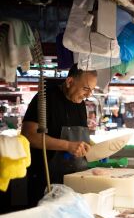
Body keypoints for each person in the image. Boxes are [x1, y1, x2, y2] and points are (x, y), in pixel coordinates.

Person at [21, 64, 97, 207]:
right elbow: (29, 135)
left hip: (72, 180)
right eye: (86, 88)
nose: (88, 95)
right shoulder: (45, 98)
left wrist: (92, 146)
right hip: (45, 181)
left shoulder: (80, 104)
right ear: (69, 82)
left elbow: (77, 136)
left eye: (92, 90)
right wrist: (67, 146)